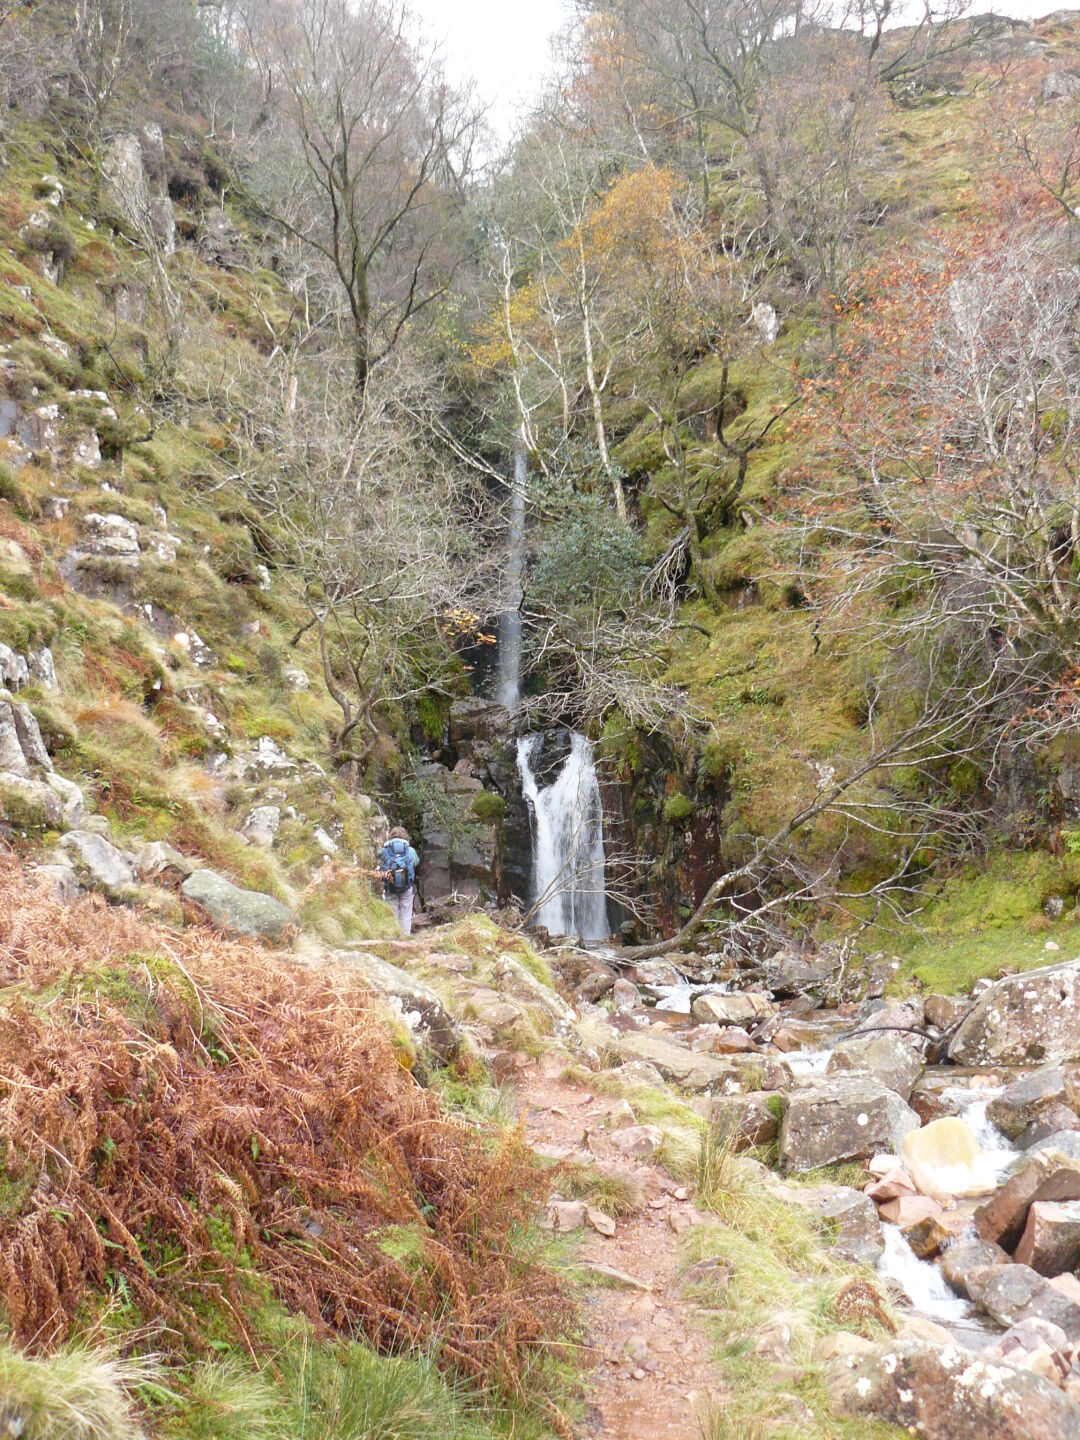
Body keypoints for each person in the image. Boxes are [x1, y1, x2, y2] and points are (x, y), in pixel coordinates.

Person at [376, 826, 420, 936]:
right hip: (407, 886)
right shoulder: (410, 850)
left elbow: (378, 859)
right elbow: (416, 862)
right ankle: (405, 937)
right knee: (406, 912)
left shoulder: (385, 850)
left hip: (390, 886)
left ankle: (393, 936)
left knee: (392, 910)